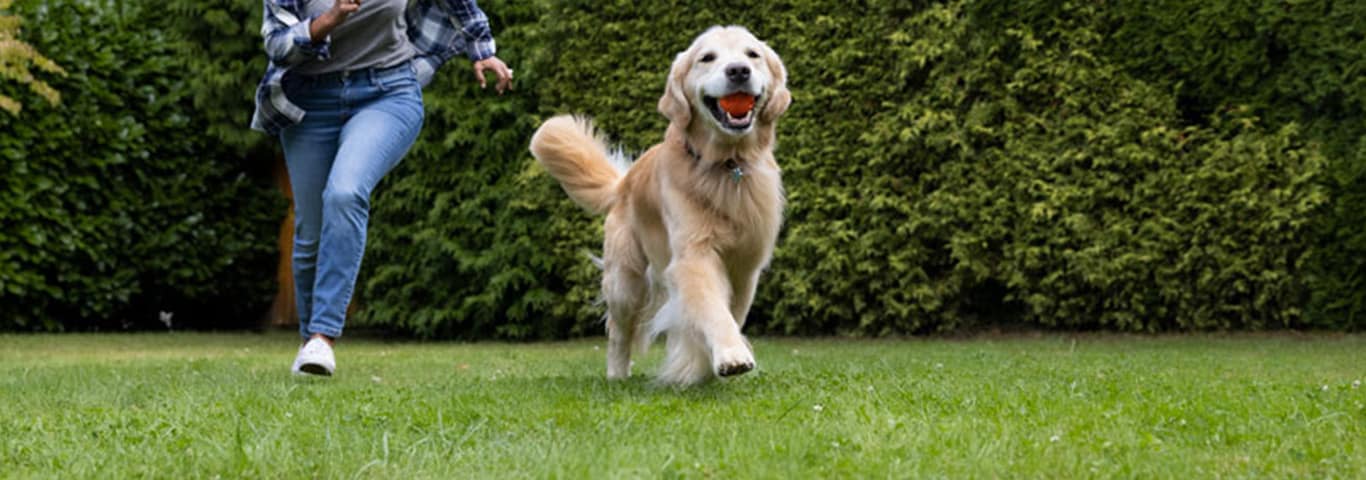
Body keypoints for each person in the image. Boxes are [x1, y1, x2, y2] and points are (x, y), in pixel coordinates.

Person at [250, 0, 512, 376]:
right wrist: (331, 18)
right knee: (310, 232)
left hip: (387, 92)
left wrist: (482, 51)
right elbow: (277, 43)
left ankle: (323, 338)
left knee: (345, 191)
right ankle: (310, 350)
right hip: (310, 100)